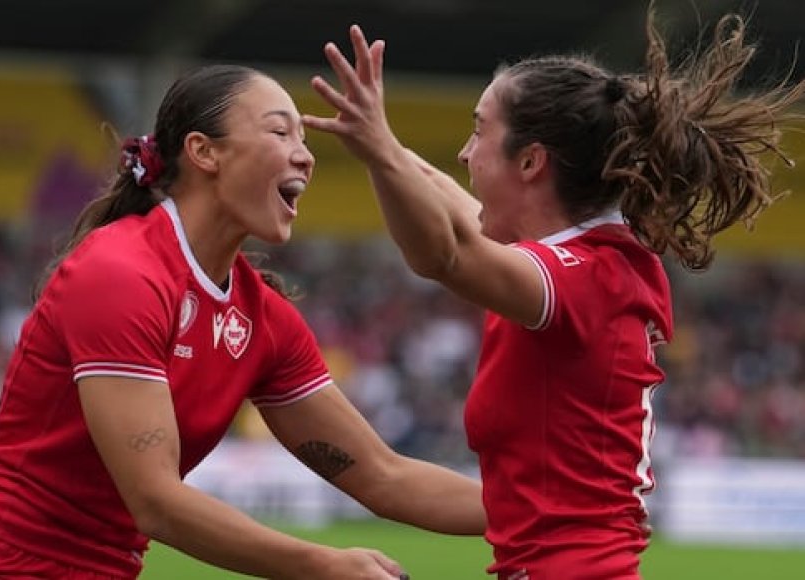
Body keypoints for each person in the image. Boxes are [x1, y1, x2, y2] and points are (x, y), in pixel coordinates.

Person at [303, 7, 805, 579]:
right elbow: (452, 209)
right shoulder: (585, 262)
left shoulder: (583, 276)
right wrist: (382, 143)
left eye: (478, 131)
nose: (464, 154)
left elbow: (444, 255)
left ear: (530, 161)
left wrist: (379, 152)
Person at [0, 64, 487, 579]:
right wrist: (321, 564)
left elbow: (383, 476)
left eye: (304, 140)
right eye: (280, 133)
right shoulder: (120, 272)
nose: (305, 156)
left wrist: (536, 508)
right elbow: (155, 502)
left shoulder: (264, 318)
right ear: (203, 151)